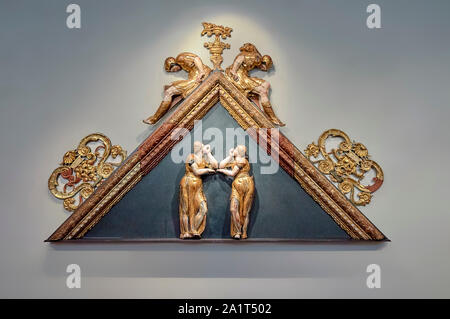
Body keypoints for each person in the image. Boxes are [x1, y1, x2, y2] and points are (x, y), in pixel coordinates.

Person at [225, 43, 285, 126]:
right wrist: (234, 71)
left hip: (243, 76)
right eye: (265, 68)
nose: (263, 70)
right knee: (262, 91)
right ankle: (271, 117)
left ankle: (267, 113)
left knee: (266, 84)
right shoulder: (256, 58)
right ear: (264, 63)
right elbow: (241, 58)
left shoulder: (256, 60)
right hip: (238, 77)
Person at [143, 53, 211, 125]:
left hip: (199, 76)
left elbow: (196, 58)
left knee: (169, 91)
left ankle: (154, 118)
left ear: (172, 63)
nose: (175, 71)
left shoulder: (180, 58)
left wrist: (201, 72)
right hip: (195, 78)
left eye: (173, 69)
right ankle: (155, 118)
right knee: (180, 93)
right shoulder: (189, 71)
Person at [179, 142, 217, 239]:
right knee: (186, 209)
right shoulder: (190, 157)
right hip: (187, 184)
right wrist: (207, 170)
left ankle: (193, 229)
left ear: (201, 147)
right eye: (194, 146)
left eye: (197, 146)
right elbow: (196, 171)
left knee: (203, 208)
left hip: (197, 187)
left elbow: (215, 165)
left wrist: (208, 153)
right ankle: (186, 231)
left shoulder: (204, 160)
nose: (195, 147)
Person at [217, 145, 255, 239]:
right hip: (236, 186)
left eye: (236, 149)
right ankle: (238, 231)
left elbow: (232, 173)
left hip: (246, 185)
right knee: (233, 209)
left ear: (239, 151)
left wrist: (221, 171)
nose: (233, 149)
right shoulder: (234, 160)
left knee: (245, 211)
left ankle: (244, 231)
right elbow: (221, 164)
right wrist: (230, 156)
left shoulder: (242, 160)